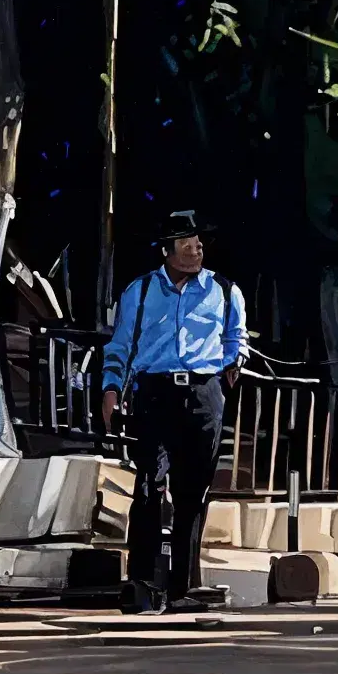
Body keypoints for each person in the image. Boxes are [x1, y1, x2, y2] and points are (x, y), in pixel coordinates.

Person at [104, 216, 249, 613]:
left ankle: (185, 588)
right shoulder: (142, 290)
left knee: (193, 493)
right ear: (166, 251)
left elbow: (236, 336)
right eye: (186, 245)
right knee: (149, 484)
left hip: (204, 393)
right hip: (154, 392)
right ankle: (142, 584)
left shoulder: (224, 290)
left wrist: (233, 361)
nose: (196, 250)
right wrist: (112, 389)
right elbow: (120, 345)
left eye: (199, 244)